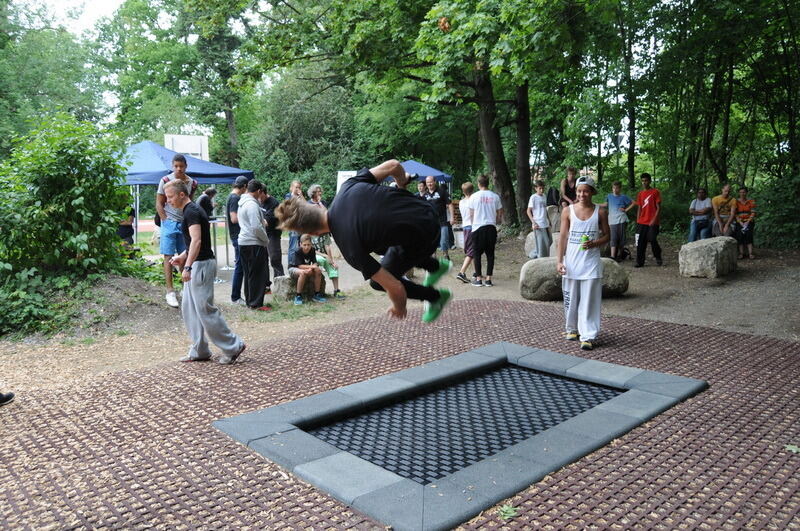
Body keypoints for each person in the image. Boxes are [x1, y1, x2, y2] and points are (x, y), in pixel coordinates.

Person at [275, 159, 452, 323]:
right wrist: (401, 183)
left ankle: (435, 297)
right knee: (385, 243)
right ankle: (434, 266)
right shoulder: (348, 187)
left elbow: (396, 287)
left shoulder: (350, 248)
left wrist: (399, 306)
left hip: (428, 236)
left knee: (378, 281)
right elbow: (393, 165)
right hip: (426, 210)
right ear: (313, 207)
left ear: (312, 234)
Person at [163, 180, 245, 365]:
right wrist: (183, 257)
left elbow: (197, 241)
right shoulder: (191, 210)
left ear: (181, 194)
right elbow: (194, 242)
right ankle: (199, 349)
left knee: (204, 309)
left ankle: (233, 346)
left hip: (200, 266)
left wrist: (187, 266)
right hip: (198, 264)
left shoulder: (191, 211)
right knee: (190, 308)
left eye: (170, 197)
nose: (168, 201)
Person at [556, 176, 610, 351]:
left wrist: (594, 243)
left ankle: (587, 335)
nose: (582, 194)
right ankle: (572, 328)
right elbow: (563, 237)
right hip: (571, 262)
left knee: (589, 300)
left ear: (592, 192)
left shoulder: (600, 212)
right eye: (579, 191)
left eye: (586, 191)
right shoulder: (568, 211)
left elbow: (607, 236)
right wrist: (559, 261)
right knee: (571, 299)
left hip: (591, 263)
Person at [156, 154, 198, 308]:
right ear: (172, 166)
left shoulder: (192, 183)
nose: (179, 169)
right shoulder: (165, 181)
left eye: (181, 166)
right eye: (176, 166)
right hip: (169, 222)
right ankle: (170, 291)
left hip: (185, 222)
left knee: (185, 256)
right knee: (168, 256)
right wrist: (165, 220)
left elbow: (189, 201)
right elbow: (159, 203)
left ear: (186, 166)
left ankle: (185, 288)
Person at [238, 180, 272, 311]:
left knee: (249, 274)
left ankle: (250, 301)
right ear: (258, 191)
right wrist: (266, 239)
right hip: (253, 243)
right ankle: (256, 304)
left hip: (244, 242)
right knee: (258, 274)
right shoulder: (252, 205)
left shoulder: (242, 203)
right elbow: (256, 227)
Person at [307, 184, 345, 299]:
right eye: (317, 191)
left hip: (324, 254)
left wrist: (332, 260)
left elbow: (326, 213)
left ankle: (336, 290)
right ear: (312, 193)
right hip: (314, 256)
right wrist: (325, 256)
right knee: (320, 260)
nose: (319, 193)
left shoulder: (322, 203)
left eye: (320, 191)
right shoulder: (310, 232)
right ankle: (317, 292)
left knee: (333, 266)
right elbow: (310, 249)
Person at [469, 174, 503, 287]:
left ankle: (478, 279)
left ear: (478, 184)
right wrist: (496, 221)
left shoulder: (473, 197)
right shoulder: (495, 196)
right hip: (491, 227)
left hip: (478, 227)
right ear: (488, 183)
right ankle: (488, 279)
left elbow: (471, 214)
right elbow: (500, 213)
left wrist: (474, 224)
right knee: (490, 254)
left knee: (477, 254)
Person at [625, 173, 662, 268]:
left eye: (646, 180)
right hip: (642, 222)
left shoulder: (655, 192)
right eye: (642, 181)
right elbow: (640, 208)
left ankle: (658, 256)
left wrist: (654, 219)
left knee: (652, 239)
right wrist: (638, 220)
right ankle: (640, 262)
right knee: (640, 242)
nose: (644, 182)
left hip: (652, 222)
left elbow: (658, 208)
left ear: (649, 181)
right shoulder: (640, 194)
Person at [226, 176, 249, 305]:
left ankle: (237, 296)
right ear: (244, 186)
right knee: (239, 266)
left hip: (236, 236)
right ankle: (235, 297)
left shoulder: (231, 196)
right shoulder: (235, 198)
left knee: (240, 265)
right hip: (237, 236)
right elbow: (234, 219)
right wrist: (248, 219)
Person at [288, 234, 327, 305]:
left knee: (318, 271)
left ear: (311, 244)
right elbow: (299, 266)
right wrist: (311, 267)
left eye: (308, 245)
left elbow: (315, 263)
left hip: (306, 268)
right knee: (303, 273)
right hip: (294, 268)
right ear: (300, 244)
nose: (307, 247)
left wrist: (313, 267)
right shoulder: (297, 251)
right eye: (304, 245)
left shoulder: (312, 250)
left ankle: (316, 294)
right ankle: (298, 296)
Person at [423, 176, 453, 261]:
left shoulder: (442, 191)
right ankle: (433, 258)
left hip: (442, 221)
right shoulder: (425, 194)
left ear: (435, 182)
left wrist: (452, 217)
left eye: (431, 182)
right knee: (432, 241)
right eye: (428, 182)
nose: (429, 184)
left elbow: (450, 204)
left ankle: (445, 255)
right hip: (431, 222)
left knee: (444, 240)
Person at [602, 181, 633, 261]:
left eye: (617, 188)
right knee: (613, 237)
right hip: (612, 220)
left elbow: (633, 203)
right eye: (614, 188)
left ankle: (620, 255)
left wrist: (626, 210)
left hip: (621, 219)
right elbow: (605, 205)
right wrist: (593, 204)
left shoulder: (623, 197)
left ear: (620, 188)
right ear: (612, 188)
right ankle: (613, 256)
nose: (615, 190)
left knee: (621, 238)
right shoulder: (609, 196)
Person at [260, 185, 285, 281]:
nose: (258, 199)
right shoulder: (258, 202)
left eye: (259, 196)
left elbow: (266, 222)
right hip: (262, 233)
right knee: (263, 260)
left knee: (275, 258)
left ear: (263, 192)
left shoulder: (273, 203)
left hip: (273, 234)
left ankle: (280, 281)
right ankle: (266, 285)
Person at [455, 181, 475, 282]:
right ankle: (462, 272)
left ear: (463, 192)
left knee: (471, 250)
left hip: (465, 227)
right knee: (472, 251)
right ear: (473, 190)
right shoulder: (473, 201)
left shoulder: (461, 202)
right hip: (472, 227)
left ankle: (476, 272)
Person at [526, 180, 552, 259]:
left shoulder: (544, 196)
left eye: (543, 188)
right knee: (542, 243)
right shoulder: (533, 197)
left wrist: (549, 220)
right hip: (538, 223)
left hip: (545, 222)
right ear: (536, 188)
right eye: (540, 188)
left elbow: (545, 210)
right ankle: (540, 258)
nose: (542, 190)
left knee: (549, 241)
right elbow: (528, 211)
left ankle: (533, 254)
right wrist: (533, 222)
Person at [284, 180, 304, 256]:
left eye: (299, 187)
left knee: (300, 245)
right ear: (291, 188)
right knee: (293, 246)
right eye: (296, 187)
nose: (297, 189)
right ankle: (291, 264)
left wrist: (301, 196)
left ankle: (297, 263)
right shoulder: (288, 196)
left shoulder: (300, 197)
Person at [735, 186, 756, 259]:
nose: (742, 194)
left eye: (744, 192)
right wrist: (740, 222)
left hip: (749, 221)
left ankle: (751, 253)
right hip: (739, 222)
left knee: (749, 235)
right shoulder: (736, 201)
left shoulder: (751, 201)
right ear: (739, 193)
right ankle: (741, 253)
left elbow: (753, 212)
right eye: (740, 192)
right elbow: (735, 213)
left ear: (746, 193)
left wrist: (747, 222)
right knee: (740, 236)